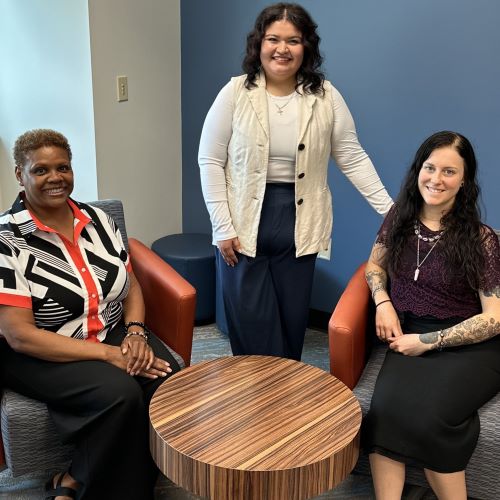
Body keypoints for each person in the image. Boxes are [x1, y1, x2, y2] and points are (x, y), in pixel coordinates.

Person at [198, 2, 393, 360]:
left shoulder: (326, 97)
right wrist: (221, 225)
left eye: (294, 40)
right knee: (252, 323)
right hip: (242, 220)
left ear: (307, 47)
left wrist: (391, 212)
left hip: (300, 220)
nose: (282, 49)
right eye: (273, 39)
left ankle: (286, 403)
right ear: (259, 44)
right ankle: (255, 398)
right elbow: (210, 160)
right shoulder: (235, 93)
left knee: (290, 324)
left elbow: (351, 156)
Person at [0, 129, 180, 500]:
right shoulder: (7, 238)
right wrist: (110, 355)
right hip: (38, 348)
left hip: (107, 328)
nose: (55, 178)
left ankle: (73, 480)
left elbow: (129, 284)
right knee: (121, 393)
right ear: (20, 174)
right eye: (41, 170)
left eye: (63, 167)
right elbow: (20, 335)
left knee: (169, 380)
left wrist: (134, 333)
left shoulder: (97, 219)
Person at [363, 130, 500, 499]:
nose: (436, 179)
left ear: (465, 180)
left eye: (450, 172)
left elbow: (494, 318)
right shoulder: (398, 219)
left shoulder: (481, 239)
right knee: (385, 412)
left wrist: (428, 342)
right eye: (430, 167)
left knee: (430, 419)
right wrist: (383, 302)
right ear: (418, 169)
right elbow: (374, 267)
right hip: (408, 333)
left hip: (471, 345)